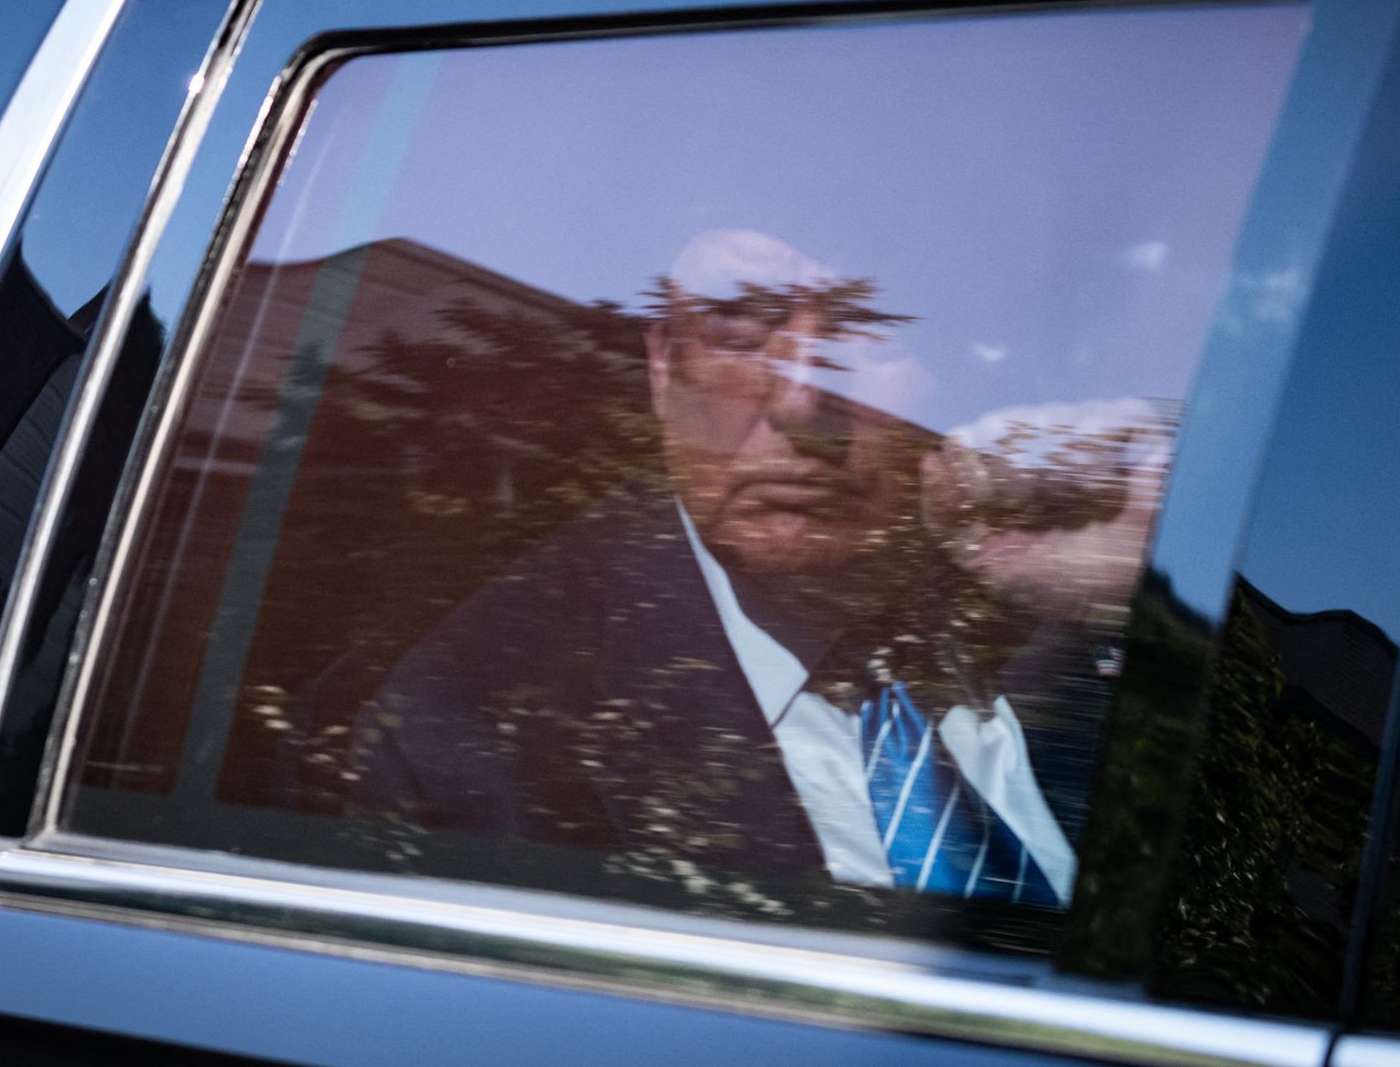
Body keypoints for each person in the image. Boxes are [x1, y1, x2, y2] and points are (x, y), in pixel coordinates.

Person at [349, 229, 1158, 909]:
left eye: (862, 331)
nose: (802, 401)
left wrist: (1144, 605)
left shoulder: (1072, 616)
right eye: (736, 325)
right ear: (664, 369)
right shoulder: (461, 729)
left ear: (956, 372)